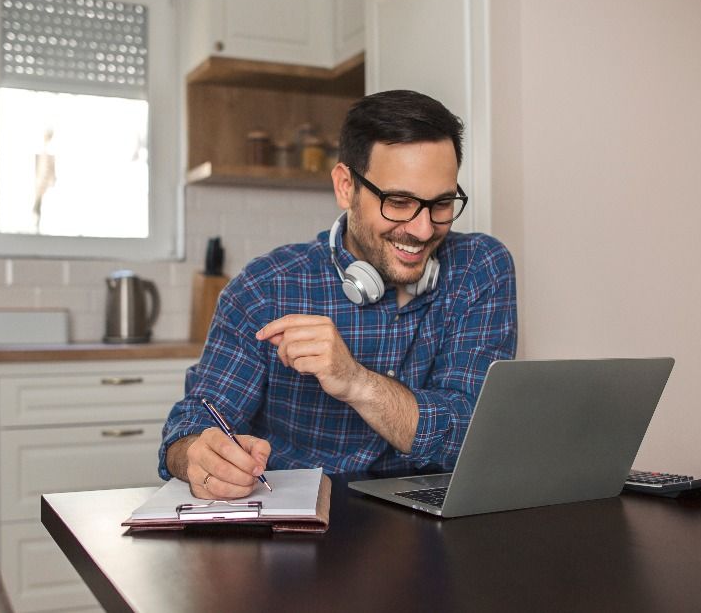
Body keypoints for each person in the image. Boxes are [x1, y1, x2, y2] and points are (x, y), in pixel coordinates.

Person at [159, 89, 517, 500]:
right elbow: (188, 428)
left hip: (431, 529)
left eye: (441, 204)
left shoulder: (480, 268)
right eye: (398, 202)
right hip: (301, 531)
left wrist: (356, 382)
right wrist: (197, 456)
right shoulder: (266, 288)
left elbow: (471, 439)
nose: (422, 230)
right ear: (346, 187)